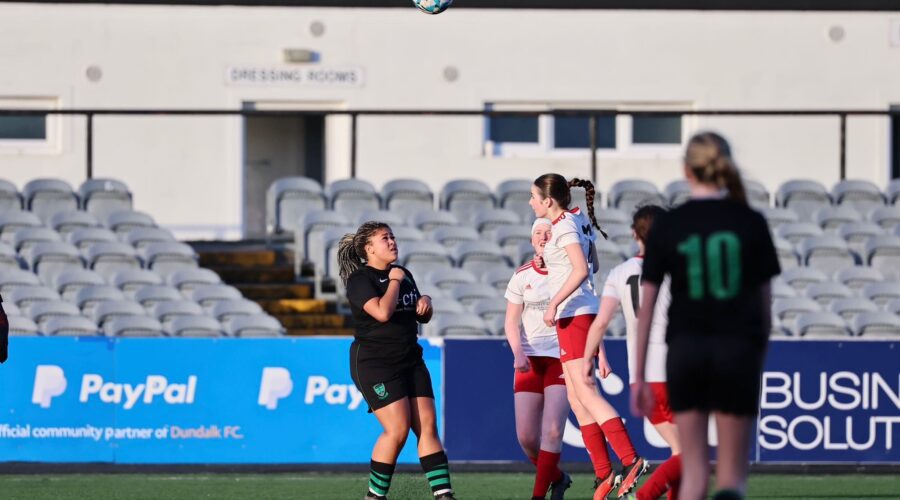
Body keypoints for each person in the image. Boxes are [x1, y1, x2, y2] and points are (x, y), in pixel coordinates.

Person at [632, 132, 780, 500]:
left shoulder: (670, 224)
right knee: (731, 478)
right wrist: (755, 361)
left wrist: (638, 376)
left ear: (686, 170)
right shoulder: (750, 221)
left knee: (694, 474)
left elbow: (646, 307)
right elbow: (764, 310)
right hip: (736, 351)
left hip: (686, 351)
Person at [530, 174, 647, 500]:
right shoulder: (574, 223)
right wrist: (547, 257)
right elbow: (592, 265)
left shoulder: (565, 225)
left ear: (548, 200)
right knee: (578, 401)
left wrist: (553, 301)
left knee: (586, 392)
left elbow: (581, 270)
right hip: (576, 315)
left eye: (534, 196)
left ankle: (631, 460)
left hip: (575, 314)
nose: (531, 202)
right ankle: (604, 474)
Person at [338, 221, 456, 500]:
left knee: (427, 427)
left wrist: (425, 302)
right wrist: (394, 280)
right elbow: (381, 312)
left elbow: (418, 315)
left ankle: (444, 495)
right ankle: (374, 496)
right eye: (384, 238)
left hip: (410, 359)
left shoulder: (403, 274)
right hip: (375, 363)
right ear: (369, 249)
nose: (392, 242)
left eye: (392, 237)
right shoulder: (360, 280)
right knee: (398, 429)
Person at [582, 205, 682, 500]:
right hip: (675, 374)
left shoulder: (620, 273)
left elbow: (600, 323)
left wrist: (587, 359)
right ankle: (645, 496)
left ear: (633, 234)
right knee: (689, 455)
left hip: (643, 381)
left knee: (681, 454)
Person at [504, 218, 572, 500]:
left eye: (549, 232)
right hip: (530, 360)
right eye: (538, 233)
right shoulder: (522, 275)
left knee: (553, 431)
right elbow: (510, 322)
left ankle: (537, 496)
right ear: (532, 240)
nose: (544, 237)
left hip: (560, 359)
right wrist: (518, 353)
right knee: (527, 438)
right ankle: (557, 478)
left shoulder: (571, 272)